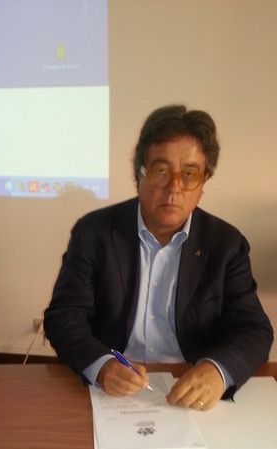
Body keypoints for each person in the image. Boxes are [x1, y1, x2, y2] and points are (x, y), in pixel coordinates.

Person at [44, 105, 273, 411]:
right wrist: (101, 365)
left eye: (189, 174)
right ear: (139, 174)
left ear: (204, 182)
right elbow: (64, 316)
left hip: (189, 385)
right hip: (112, 385)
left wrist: (216, 371)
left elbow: (254, 329)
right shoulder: (94, 233)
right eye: (161, 171)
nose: (174, 188)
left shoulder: (226, 244)